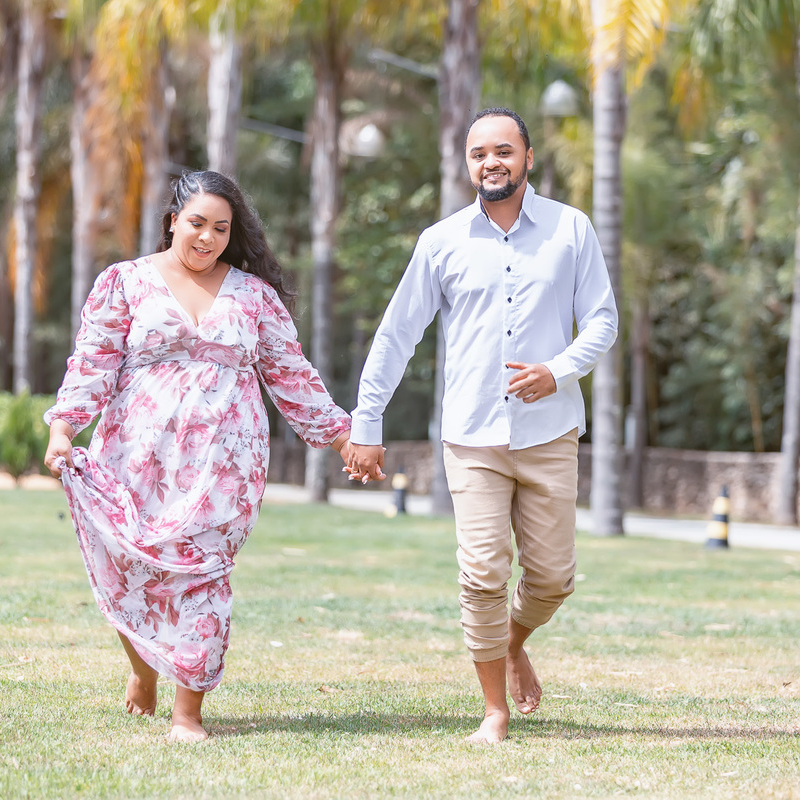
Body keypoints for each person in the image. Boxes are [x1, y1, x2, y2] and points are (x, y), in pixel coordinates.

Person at [43, 170, 353, 743]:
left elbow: (291, 375)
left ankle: (188, 714)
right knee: (134, 568)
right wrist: (63, 428)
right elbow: (92, 361)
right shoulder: (125, 282)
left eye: (221, 229)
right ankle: (144, 669)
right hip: (135, 454)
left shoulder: (253, 296)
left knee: (205, 575)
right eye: (197, 224)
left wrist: (342, 436)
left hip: (224, 463)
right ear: (172, 221)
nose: (208, 238)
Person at [346, 108, 618, 743]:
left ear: (527, 158)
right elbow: (397, 334)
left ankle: (512, 642)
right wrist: (367, 420)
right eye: (478, 154)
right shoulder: (441, 241)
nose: (491, 162)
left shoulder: (570, 229)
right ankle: (494, 710)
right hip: (471, 436)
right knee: (483, 574)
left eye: (503, 151)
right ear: (467, 163)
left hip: (550, 431)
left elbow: (602, 319)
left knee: (552, 580)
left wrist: (558, 369)